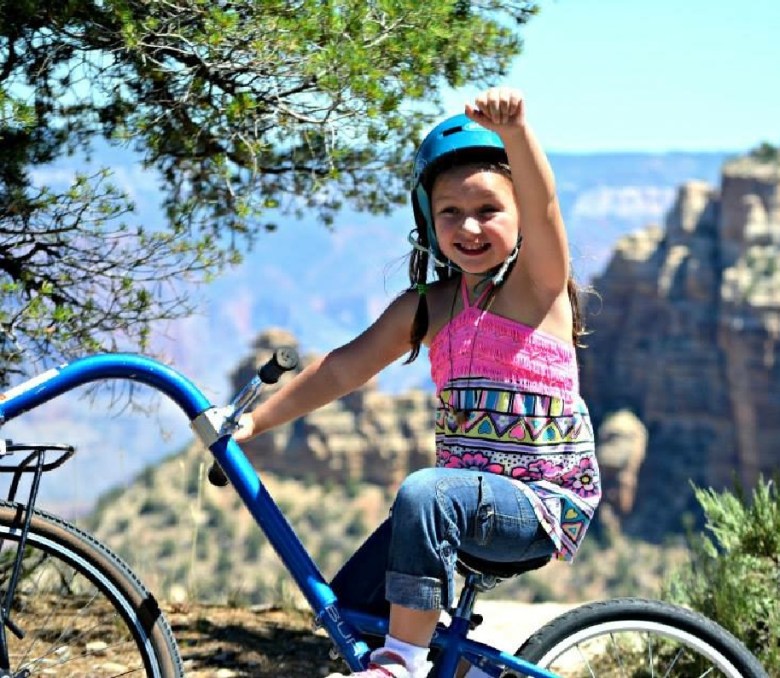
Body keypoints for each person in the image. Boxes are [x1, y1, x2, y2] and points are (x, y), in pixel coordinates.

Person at [234, 87, 602, 678]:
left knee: (425, 494)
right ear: (427, 223)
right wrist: (254, 424)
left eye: (489, 209)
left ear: (517, 218)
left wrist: (516, 133)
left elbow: (546, 207)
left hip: (540, 504)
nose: (470, 226)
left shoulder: (537, 291)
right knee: (348, 607)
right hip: (464, 505)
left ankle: (400, 663)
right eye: (450, 212)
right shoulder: (429, 307)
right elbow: (343, 367)